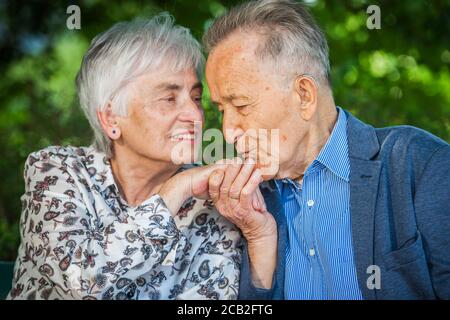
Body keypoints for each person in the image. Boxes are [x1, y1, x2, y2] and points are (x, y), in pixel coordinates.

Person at [203, 0, 450, 299]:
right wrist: (257, 238)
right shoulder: (246, 203)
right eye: (221, 109)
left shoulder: (417, 164)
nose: (228, 131)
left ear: (304, 95)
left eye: (240, 105)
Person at [8, 14, 242, 300]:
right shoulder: (57, 172)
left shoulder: (209, 201)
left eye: (195, 98)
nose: (195, 115)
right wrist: (171, 195)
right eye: (169, 99)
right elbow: (80, 283)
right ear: (110, 119)